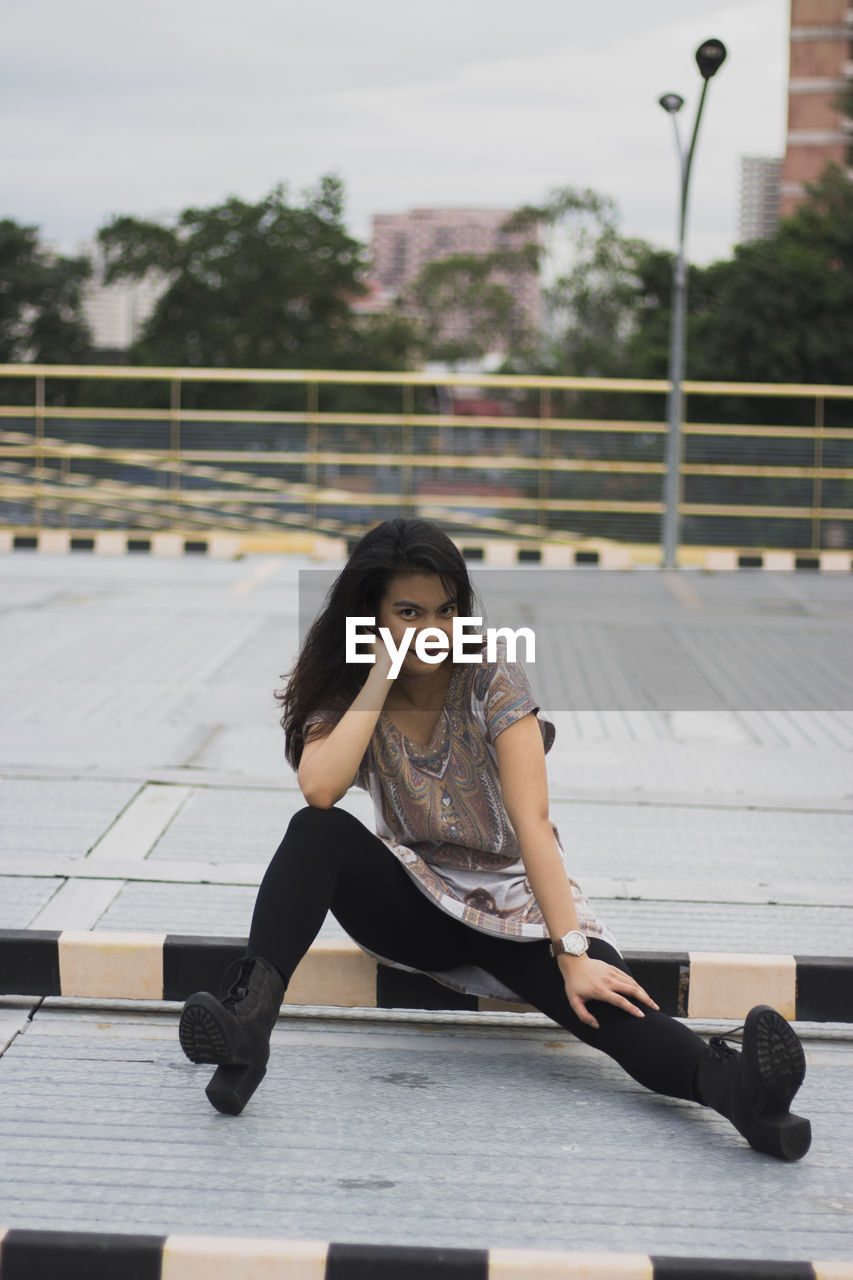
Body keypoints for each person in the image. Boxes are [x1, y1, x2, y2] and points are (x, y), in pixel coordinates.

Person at [179, 518, 811, 1160]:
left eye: (445, 610)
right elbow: (320, 788)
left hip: (515, 907)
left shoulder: (491, 679)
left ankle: (744, 1098)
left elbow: (532, 821)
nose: (432, 630)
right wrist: (377, 675)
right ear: (368, 614)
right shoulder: (347, 691)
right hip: (413, 903)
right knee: (315, 832)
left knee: (601, 998)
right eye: (408, 613)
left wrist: (571, 952)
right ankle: (248, 1027)